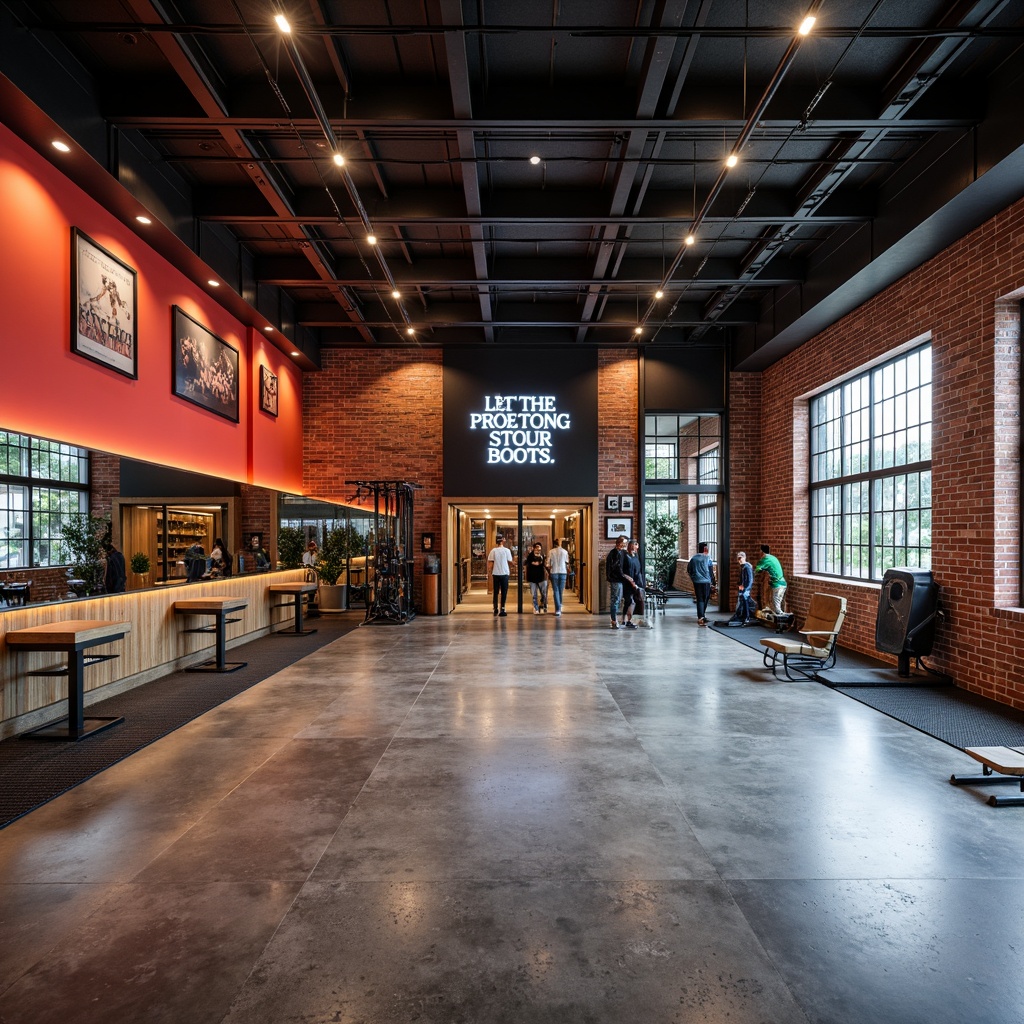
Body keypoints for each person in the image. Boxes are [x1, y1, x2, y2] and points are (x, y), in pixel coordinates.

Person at [621, 538, 650, 630]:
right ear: (632, 545)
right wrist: (630, 580)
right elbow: (623, 571)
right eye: (636, 545)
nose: (637, 548)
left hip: (637, 582)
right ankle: (625, 620)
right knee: (629, 601)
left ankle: (629, 620)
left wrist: (639, 584)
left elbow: (638, 571)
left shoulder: (635, 557)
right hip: (628, 582)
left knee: (634, 601)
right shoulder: (625, 556)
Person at [687, 541, 716, 626]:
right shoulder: (708, 558)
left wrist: (693, 577)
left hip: (697, 581)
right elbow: (711, 571)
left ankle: (701, 617)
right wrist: (713, 582)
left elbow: (689, 570)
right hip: (706, 582)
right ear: (705, 549)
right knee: (706, 598)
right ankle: (702, 615)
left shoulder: (693, 559)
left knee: (700, 599)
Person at [606, 534, 631, 629]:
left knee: (616, 600)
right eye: (624, 543)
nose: (625, 545)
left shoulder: (619, 552)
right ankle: (614, 620)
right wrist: (625, 576)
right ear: (619, 543)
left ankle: (614, 619)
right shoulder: (615, 553)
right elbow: (617, 568)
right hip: (616, 580)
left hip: (617, 579)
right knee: (615, 600)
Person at [486, 534, 514, 616]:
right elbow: (510, 561)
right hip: (504, 573)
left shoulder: (493, 551)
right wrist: (514, 563)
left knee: (496, 592)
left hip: (496, 573)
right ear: (502, 541)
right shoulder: (507, 551)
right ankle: (502, 608)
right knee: (504, 592)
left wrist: (489, 572)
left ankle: (495, 608)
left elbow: (490, 563)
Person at [755, 544, 787, 615]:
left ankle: (779, 616)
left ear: (761, 552)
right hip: (783, 583)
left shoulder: (765, 559)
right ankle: (779, 614)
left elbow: (757, 570)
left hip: (777, 584)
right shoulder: (773, 558)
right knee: (778, 602)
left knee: (776, 602)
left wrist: (757, 571)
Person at [725, 550, 756, 625]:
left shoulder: (746, 567)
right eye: (738, 558)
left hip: (745, 589)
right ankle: (745, 616)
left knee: (744, 602)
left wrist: (746, 589)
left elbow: (750, 579)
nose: (739, 560)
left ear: (744, 558)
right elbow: (743, 579)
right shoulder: (743, 567)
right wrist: (740, 585)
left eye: (740, 558)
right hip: (743, 588)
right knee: (744, 602)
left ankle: (746, 617)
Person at [547, 538, 569, 616]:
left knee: (555, 590)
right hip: (563, 572)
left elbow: (548, 564)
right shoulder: (565, 552)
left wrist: (549, 567)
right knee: (560, 590)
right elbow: (567, 563)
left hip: (554, 572)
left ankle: (558, 609)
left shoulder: (551, 552)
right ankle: (559, 605)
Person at [524, 541, 548, 613]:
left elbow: (544, 564)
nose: (538, 550)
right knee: (534, 594)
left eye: (539, 549)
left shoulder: (542, 556)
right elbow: (532, 564)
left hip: (542, 577)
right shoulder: (530, 557)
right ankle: (536, 608)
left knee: (544, 593)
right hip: (532, 577)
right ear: (534, 549)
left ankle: (543, 604)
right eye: (537, 549)